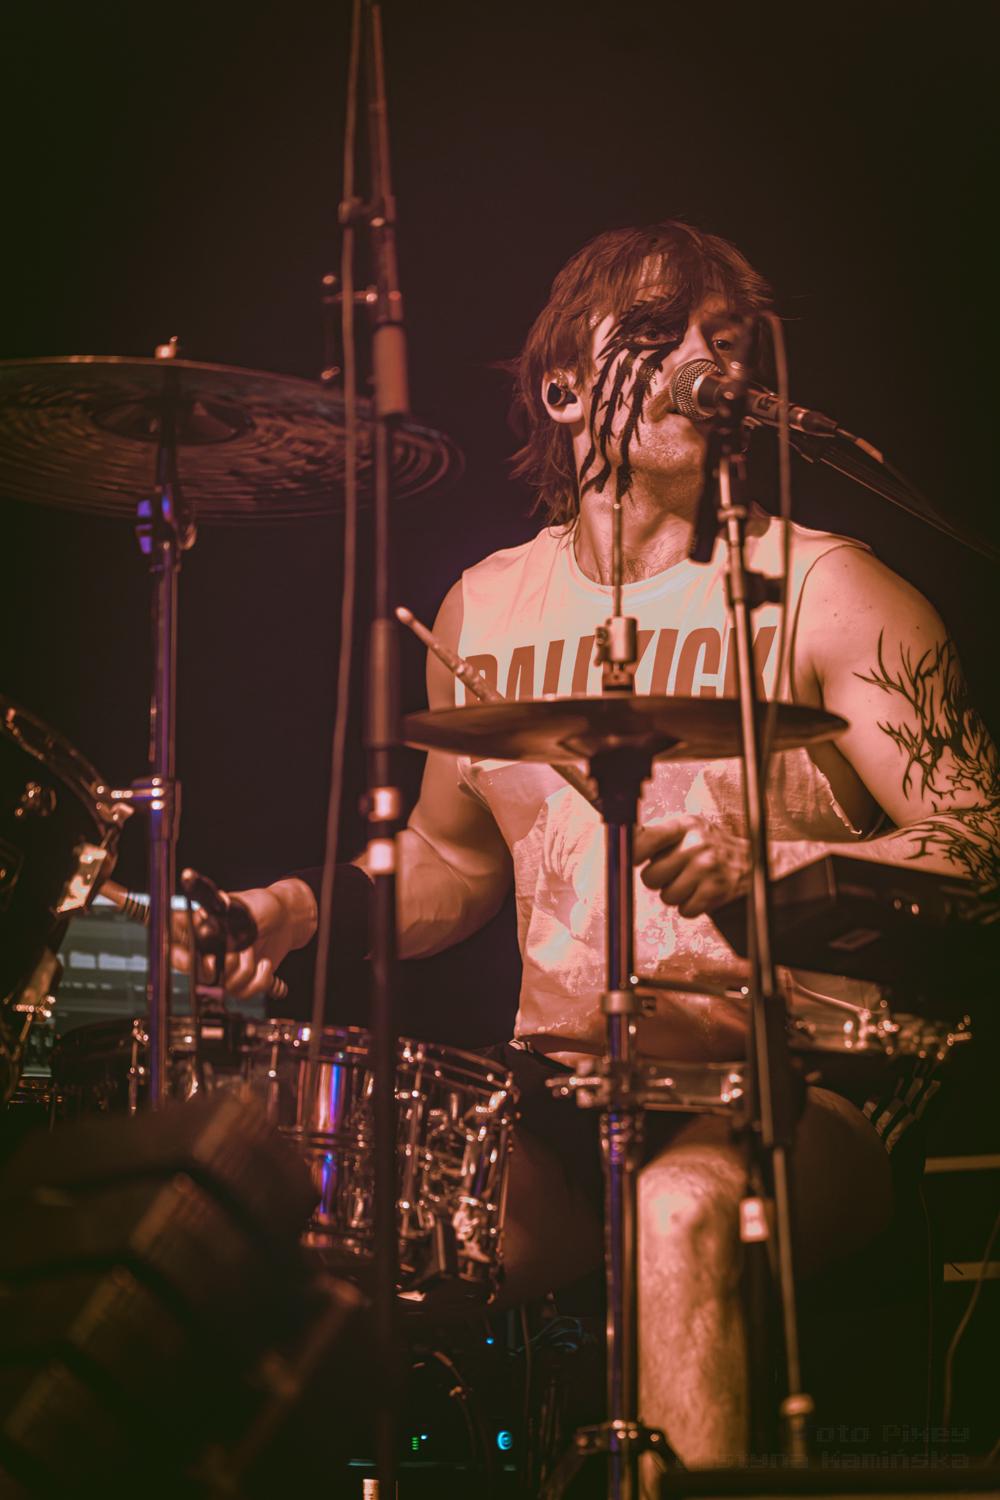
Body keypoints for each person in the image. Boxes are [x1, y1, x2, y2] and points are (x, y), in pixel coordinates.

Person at [194, 222, 1000, 1477]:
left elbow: (982, 840)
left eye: (724, 339)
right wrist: (295, 910)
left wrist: (782, 874)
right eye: (658, 333)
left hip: (801, 1081)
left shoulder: (828, 591)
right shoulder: (483, 606)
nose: (704, 360)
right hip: (570, 1086)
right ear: (564, 389)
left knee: (675, 1214)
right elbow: (455, 864)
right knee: (333, 1234)